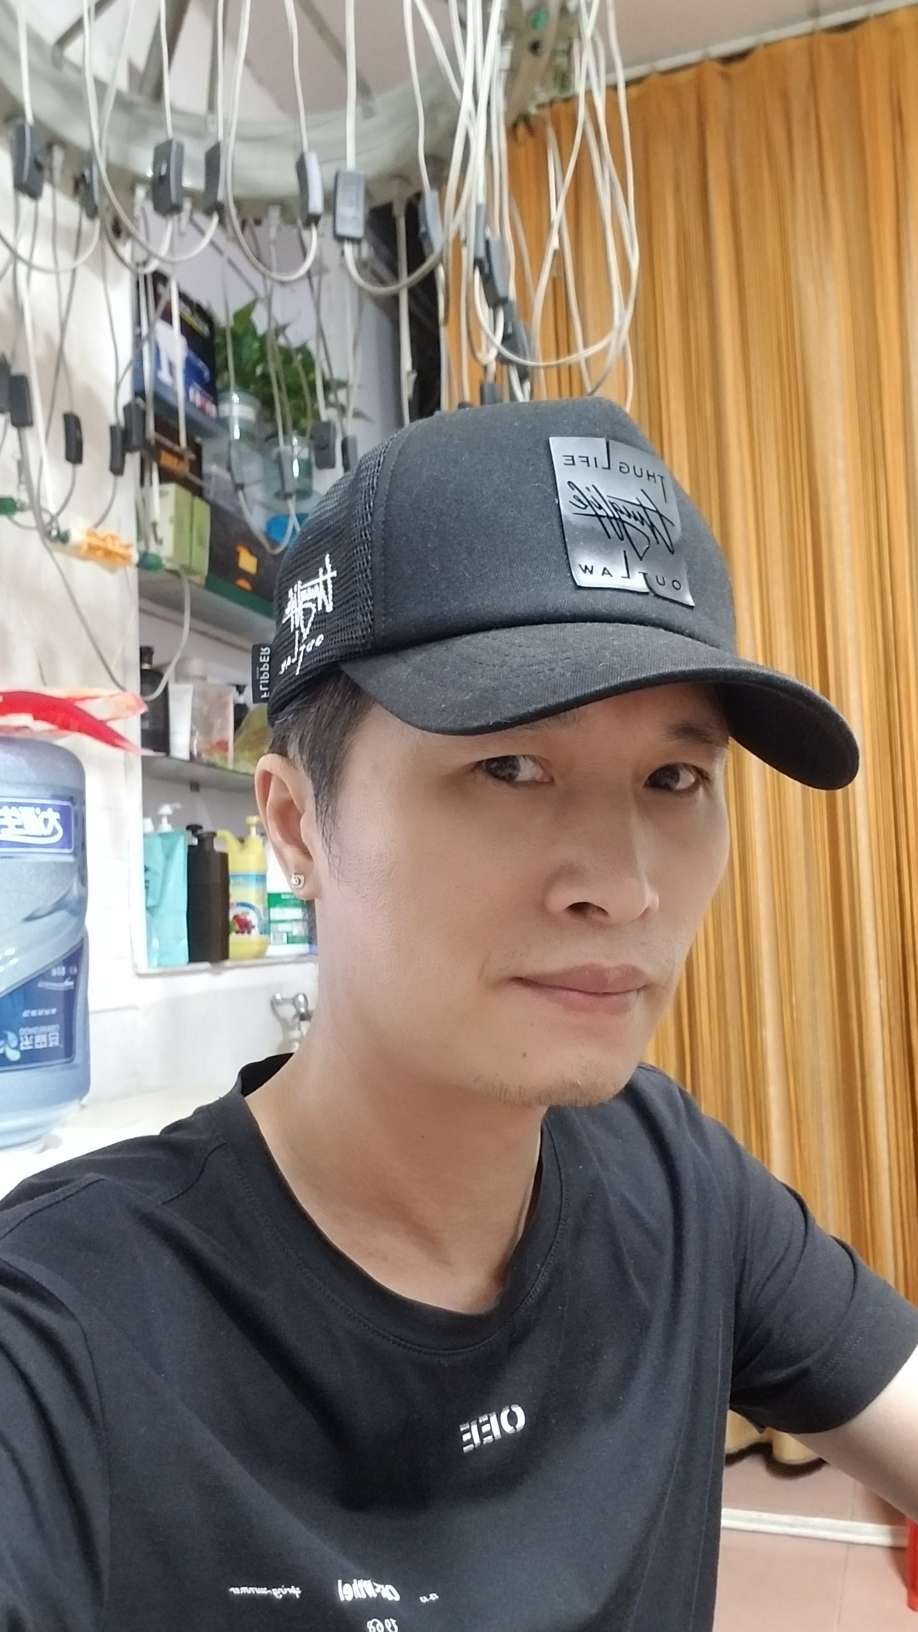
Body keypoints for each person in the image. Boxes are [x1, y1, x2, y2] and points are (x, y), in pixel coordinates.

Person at [1, 397, 916, 1632]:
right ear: (295, 826)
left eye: (674, 777)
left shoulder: (674, 1180)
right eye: (509, 768)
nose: (624, 885)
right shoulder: (65, 1329)